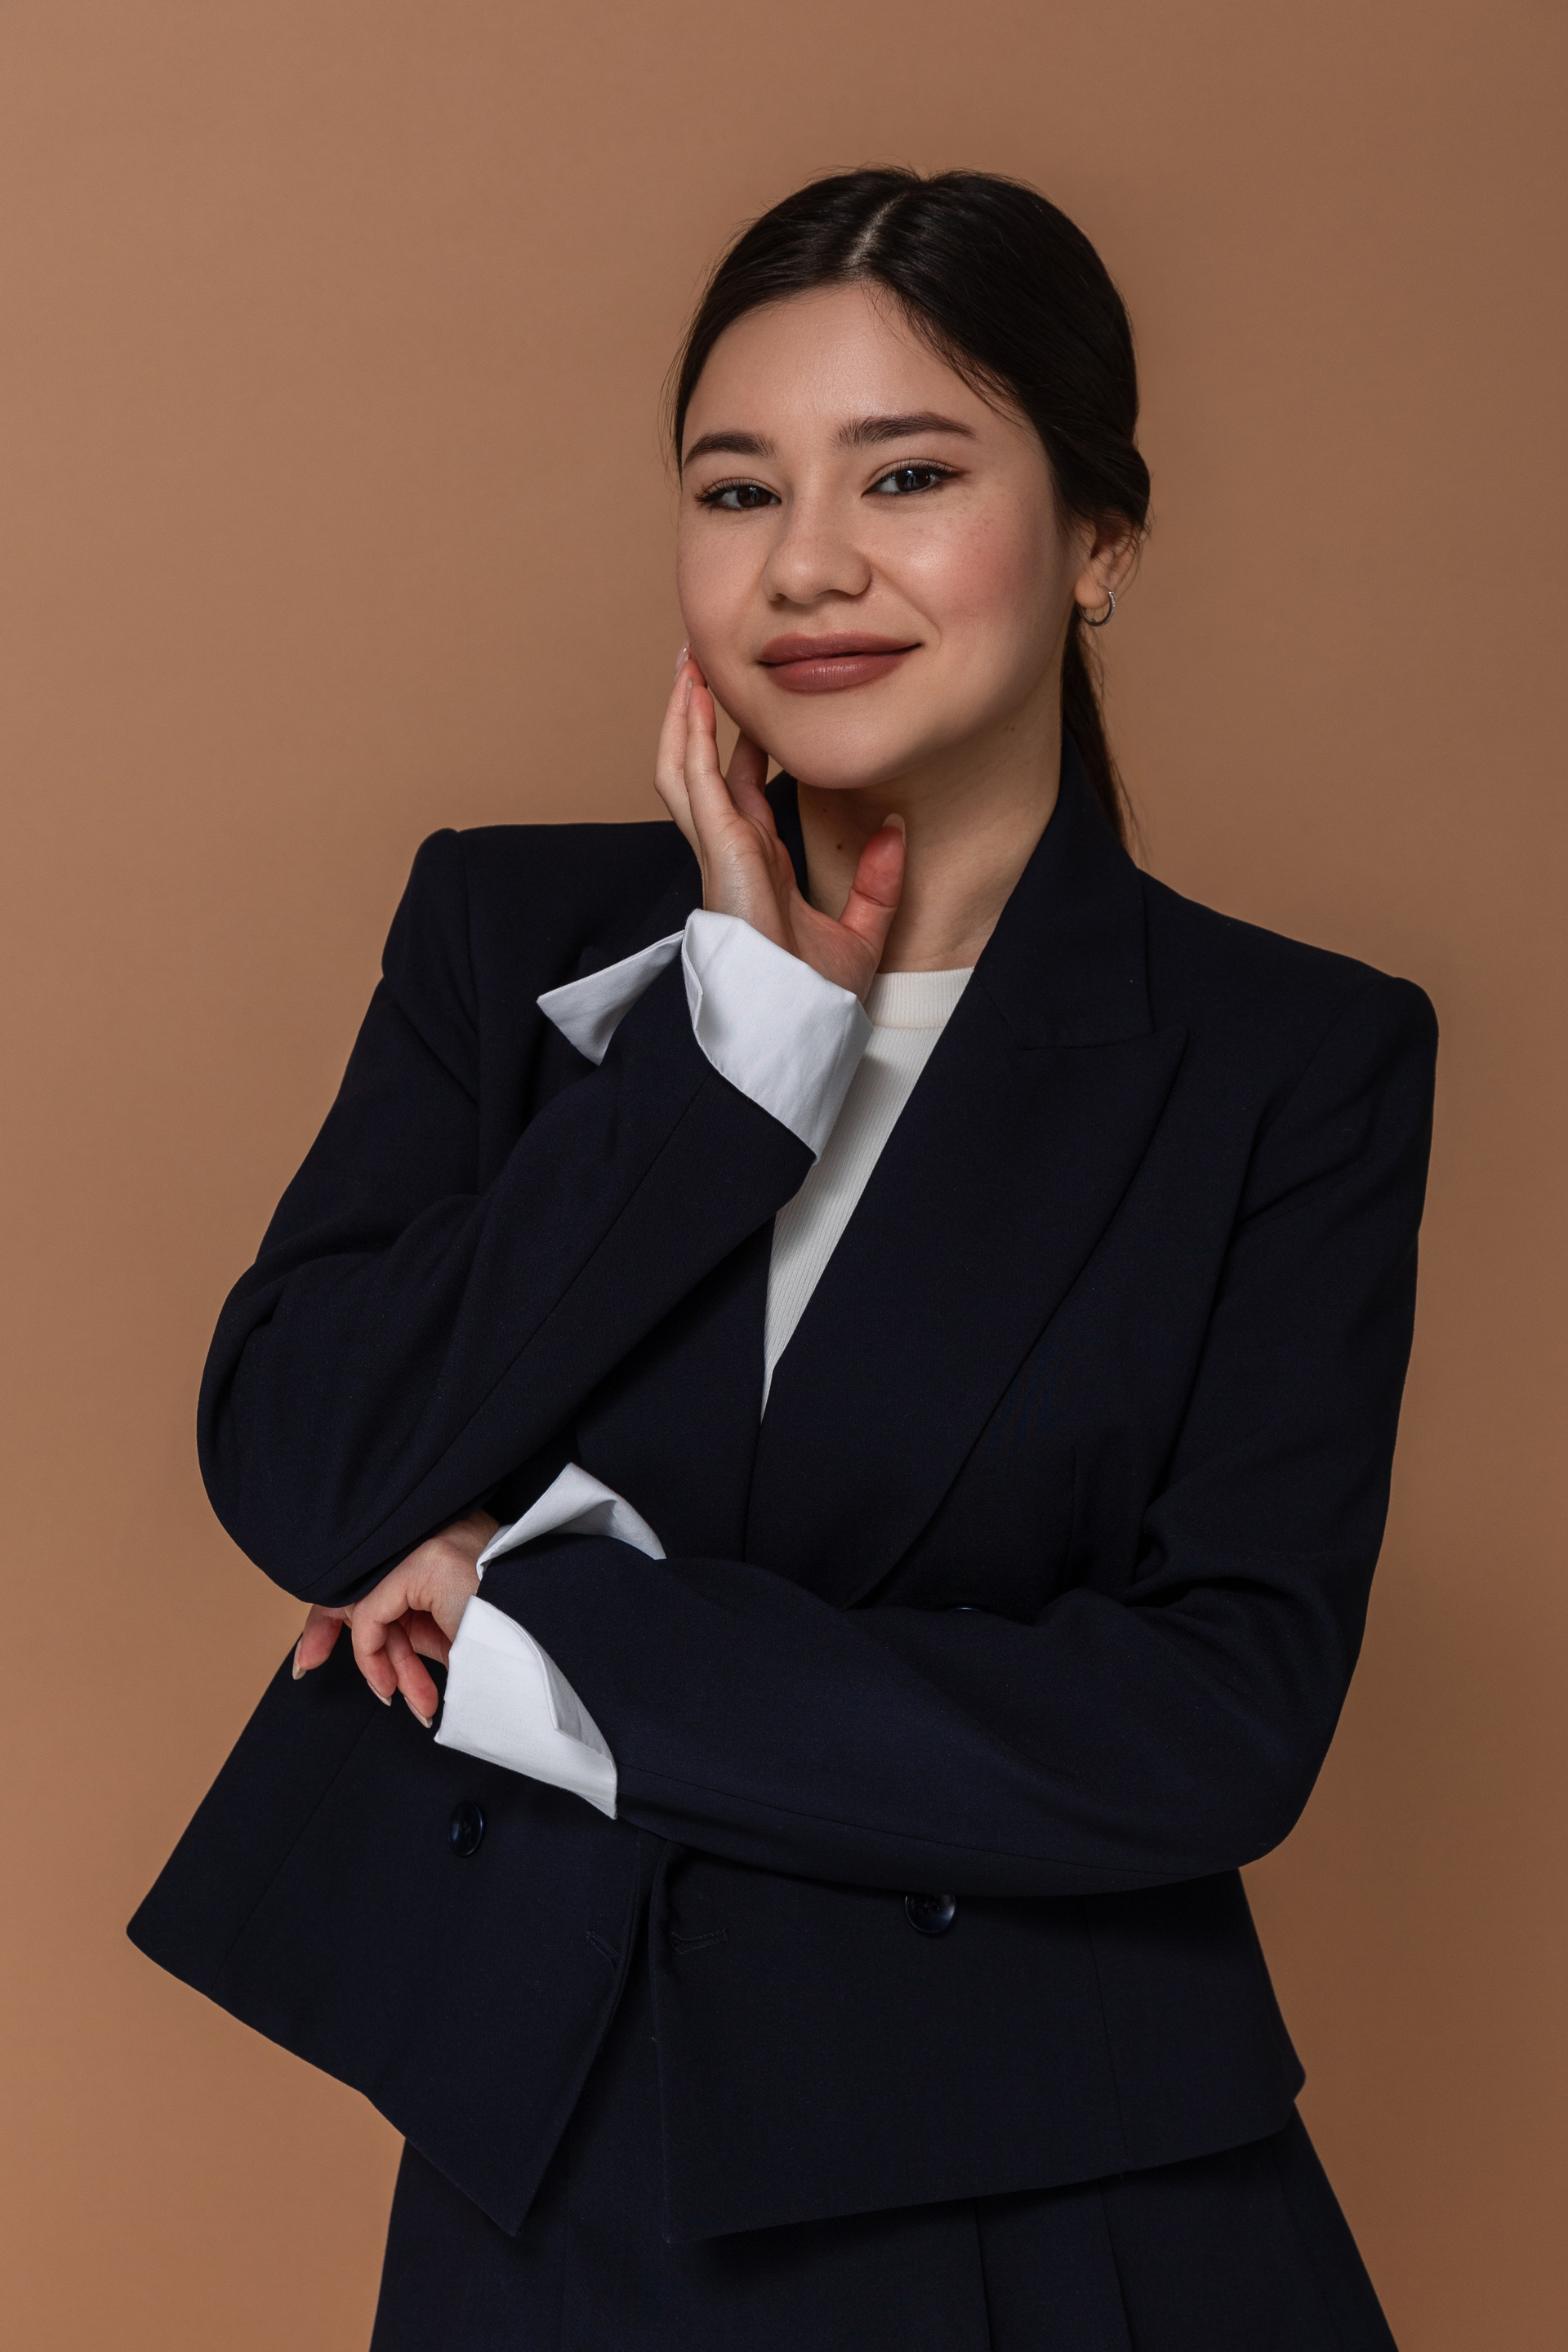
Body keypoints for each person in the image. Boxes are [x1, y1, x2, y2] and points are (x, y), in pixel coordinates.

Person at [131, 167, 1435, 2350]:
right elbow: (308, 1465)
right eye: (738, 489)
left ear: (1101, 540)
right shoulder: (509, 937)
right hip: (557, 2205)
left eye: (907, 475)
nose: (807, 563)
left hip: (1059, 2210)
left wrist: (550, 1646)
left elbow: (1215, 1721)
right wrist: (730, 1055)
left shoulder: (1291, 1058)